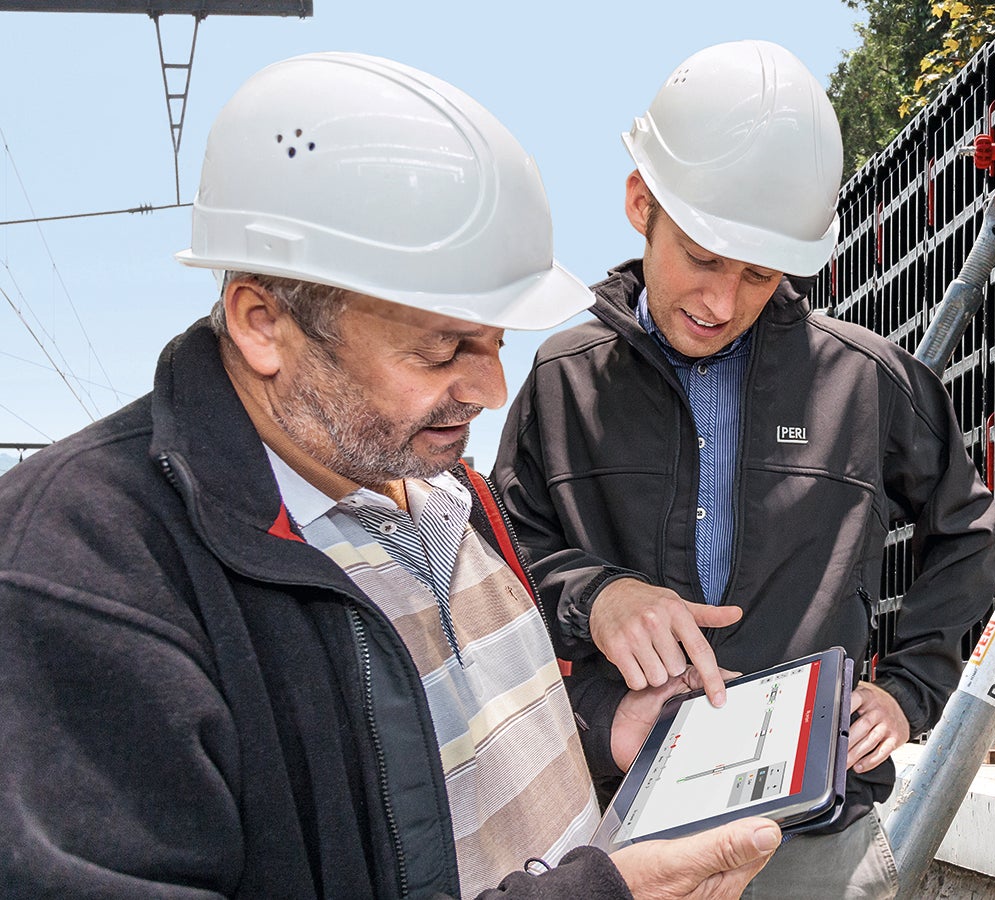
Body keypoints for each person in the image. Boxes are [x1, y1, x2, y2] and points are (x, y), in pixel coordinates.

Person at [0, 52, 779, 899]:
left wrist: (605, 728)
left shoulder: (447, 491)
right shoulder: (81, 577)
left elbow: (443, 766)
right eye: (444, 348)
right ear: (264, 324)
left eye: (495, 343)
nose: (489, 390)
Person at [493, 40, 995, 899]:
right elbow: (502, 576)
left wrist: (911, 692)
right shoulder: (560, 383)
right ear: (639, 203)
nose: (721, 302)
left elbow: (965, 534)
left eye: (758, 273)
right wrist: (601, 597)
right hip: (618, 834)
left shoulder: (868, 382)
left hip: (814, 843)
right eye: (702, 256)